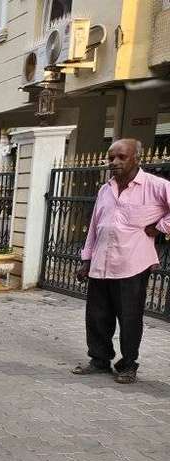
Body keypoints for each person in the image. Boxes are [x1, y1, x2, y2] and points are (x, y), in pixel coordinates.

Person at [71, 139, 170, 384]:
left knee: (129, 318)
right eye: (111, 158)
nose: (113, 162)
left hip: (132, 264)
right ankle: (99, 360)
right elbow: (95, 226)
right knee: (96, 316)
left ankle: (128, 365)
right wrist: (86, 260)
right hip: (100, 264)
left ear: (137, 158)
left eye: (121, 157)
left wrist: (161, 227)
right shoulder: (105, 189)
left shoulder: (155, 185)